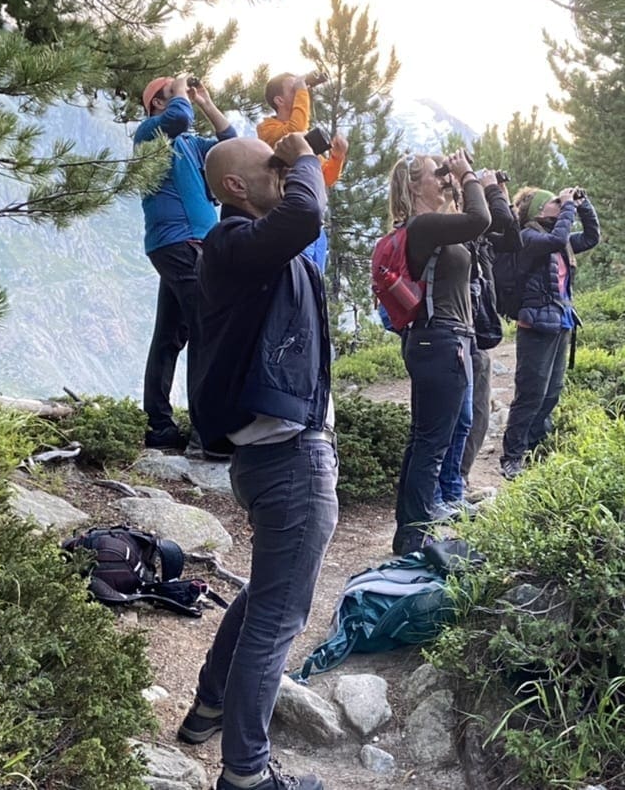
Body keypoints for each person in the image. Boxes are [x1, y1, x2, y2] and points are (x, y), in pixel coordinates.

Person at [178, 133, 337, 790]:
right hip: (289, 462)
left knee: (264, 596)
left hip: (278, 455)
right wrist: (300, 154)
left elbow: (306, 218)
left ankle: (209, 706)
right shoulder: (232, 244)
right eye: (271, 168)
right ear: (238, 188)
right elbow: (306, 212)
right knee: (277, 615)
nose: (287, 173)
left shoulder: (255, 248)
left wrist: (310, 163)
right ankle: (245, 774)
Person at [387, 151, 490, 554]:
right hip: (439, 340)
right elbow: (480, 220)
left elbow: (483, 227)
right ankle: (415, 534)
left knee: (425, 440)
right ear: (414, 186)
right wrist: (466, 175)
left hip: (440, 340)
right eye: (437, 175)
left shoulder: (432, 226)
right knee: (432, 442)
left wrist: (464, 187)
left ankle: (410, 529)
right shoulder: (423, 225)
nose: (444, 179)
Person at [135, 73, 236, 450]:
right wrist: (180, 91)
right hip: (179, 243)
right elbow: (178, 118)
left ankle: (160, 427)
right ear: (157, 104)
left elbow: (233, 147)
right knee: (207, 329)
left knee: (170, 336)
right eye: (171, 95)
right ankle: (208, 433)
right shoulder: (149, 134)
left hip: (191, 244)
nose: (181, 98)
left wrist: (207, 104)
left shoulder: (191, 145)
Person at [499, 185, 601, 480]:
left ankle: (536, 447)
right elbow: (557, 238)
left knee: (552, 391)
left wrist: (583, 204)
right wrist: (569, 206)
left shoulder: (559, 242)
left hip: (561, 321)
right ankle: (512, 456)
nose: (561, 203)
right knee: (531, 393)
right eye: (555, 202)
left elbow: (592, 237)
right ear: (538, 210)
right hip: (535, 325)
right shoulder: (529, 238)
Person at [458, 171, 521, 481]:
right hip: (459, 332)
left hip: (479, 331)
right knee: (462, 414)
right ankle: (451, 483)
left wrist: (501, 194)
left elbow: (512, 236)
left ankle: (460, 478)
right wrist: (488, 187)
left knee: (478, 412)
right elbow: (493, 218)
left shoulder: (482, 238)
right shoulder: (459, 228)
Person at [258, 72, 348, 271]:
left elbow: (325, 179)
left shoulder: (303, 142)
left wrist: (337, 158)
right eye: (294, 89)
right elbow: (295, 130)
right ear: (279, 100)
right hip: (290, 223)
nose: (301, 91)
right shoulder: (268, 129)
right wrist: (302, 88)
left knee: (315, 287)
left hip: (315, 229)